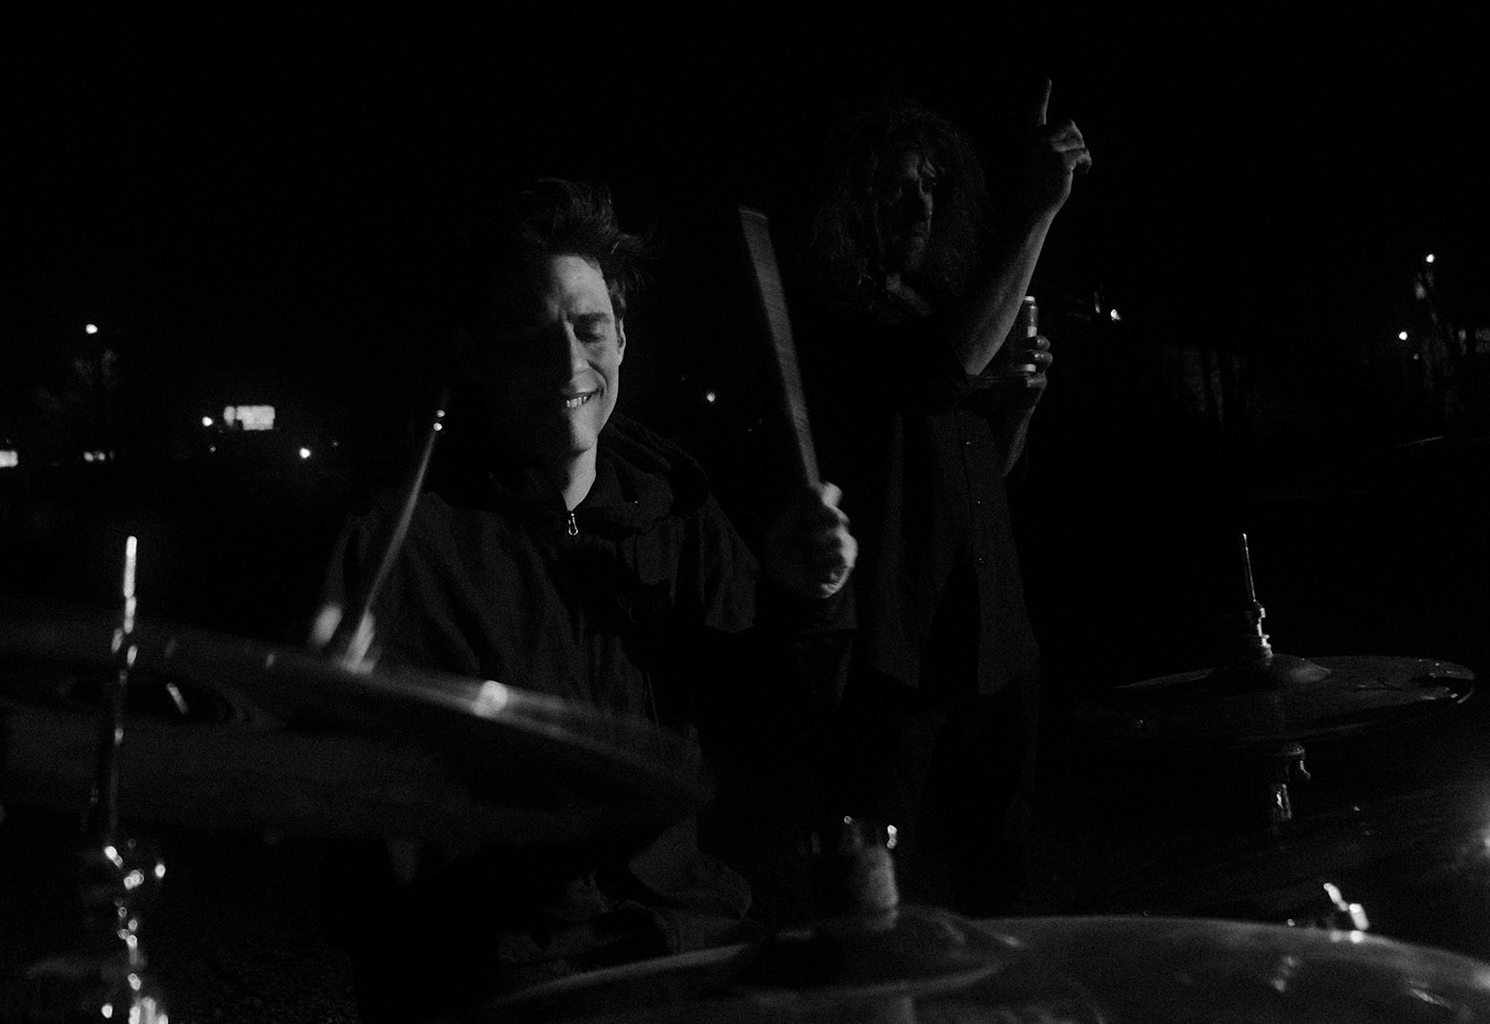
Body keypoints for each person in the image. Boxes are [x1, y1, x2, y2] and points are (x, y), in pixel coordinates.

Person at [306, 177, 857, 1022]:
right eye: (530, 337)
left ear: (622, 337)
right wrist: (336, 723)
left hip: (681, 932)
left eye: (588, 328)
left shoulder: (680, 514)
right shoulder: (402, 539)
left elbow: (772, 734)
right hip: (503, 969)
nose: (568, 363)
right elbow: (348, 862)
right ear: (475, 356)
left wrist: (801, 600)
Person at [787, 83, 1089, 917]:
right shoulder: (844, 318)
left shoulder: (938, 308)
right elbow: (937, 375)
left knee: (1003, 890)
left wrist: (1018, 407)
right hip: (896, 655)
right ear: (852, 204)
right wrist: (1038, 213)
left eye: (929, 185)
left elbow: (986, 471)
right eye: (892, 187)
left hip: (994, 644)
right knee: (874, 903)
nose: (918, 204)